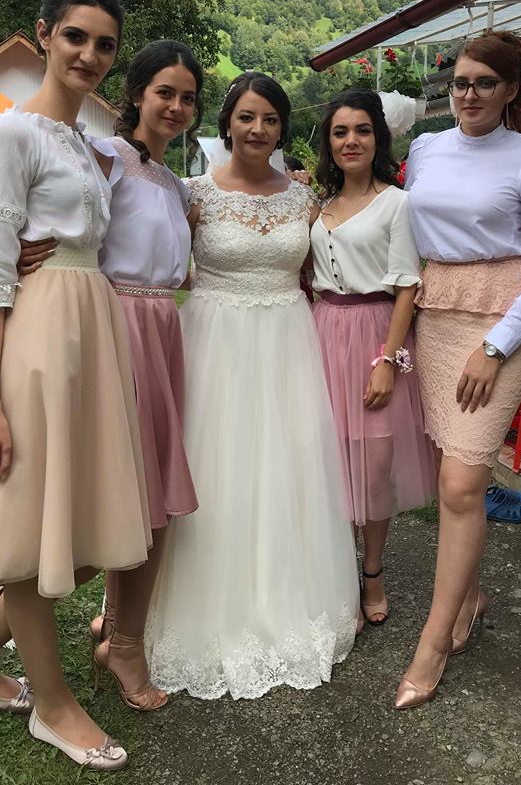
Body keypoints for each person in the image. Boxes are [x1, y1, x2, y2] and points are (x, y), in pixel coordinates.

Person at [0, 0, 153, 770]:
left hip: (90, 334)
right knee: (27, 521)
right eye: (76, 36)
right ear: (44, 33)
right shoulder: (9, 133)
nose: (89, 54)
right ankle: (51, 705)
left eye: (105, 44)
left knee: (80, 527)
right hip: (37, 336)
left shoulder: (87, 144)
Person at [146, 72, 359, 699]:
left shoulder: (306, 199)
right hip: (213, 342)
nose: (257, 129)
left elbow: (338, 266)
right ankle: (190, 602)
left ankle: (289, 596)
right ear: (226, 123)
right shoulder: (192, 194)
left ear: (283, 127)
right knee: (215, 466)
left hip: (289, 344)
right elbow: (149, 251)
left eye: (269, 118)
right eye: (246, 117)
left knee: (288, 467)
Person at [20, 40, 202, 712]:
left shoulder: (178, 185)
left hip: (162, 327)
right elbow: (56, 217)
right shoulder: (103, 156)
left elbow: (180, 261)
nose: (176, 106)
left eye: (188, 98)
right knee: (122, 495)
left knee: (154, 497)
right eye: (165, 92)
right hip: (113, 323)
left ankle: (122, 636)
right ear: (136, 94)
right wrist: (20, 250)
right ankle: (119, 643)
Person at [397, 30, 521, 709]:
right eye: (460, 83)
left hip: (501, 322)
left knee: (464, 480)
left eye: (484, 83)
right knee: (446, 471)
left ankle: (434, 640)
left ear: (510, 90)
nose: (469, 94)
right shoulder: (426, 148)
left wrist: (495, 346)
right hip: (435, 313)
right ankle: (467, 596)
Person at [311, 88, 436, 631]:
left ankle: (373, 569)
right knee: (331, 459)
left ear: (378, 138)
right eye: (340, 132)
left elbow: (408, 285)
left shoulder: (397, 202)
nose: (351, 141)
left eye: (362, 130)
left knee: (376, 464)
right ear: (329, 142)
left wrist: (388, 359)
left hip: (375, 335)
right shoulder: (317, 206)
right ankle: (339, 570)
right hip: (321, 332)